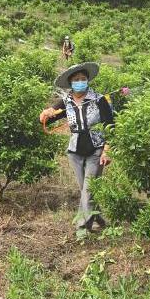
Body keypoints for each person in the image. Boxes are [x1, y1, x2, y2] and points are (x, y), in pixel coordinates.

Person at [39, 62, 113, 234]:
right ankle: (98, 217)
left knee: (89, 189)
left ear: (88, 80)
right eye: (76, 79)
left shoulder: (99, 99)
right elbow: (46, 120)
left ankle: (82, 228)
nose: (80, 81)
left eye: (83, 79)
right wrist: (45, 114)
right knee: (86, 190)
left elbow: (111, 125)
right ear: (71, 82)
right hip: (75, 151)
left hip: (96, 149)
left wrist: (107, 150)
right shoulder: (66, 102)